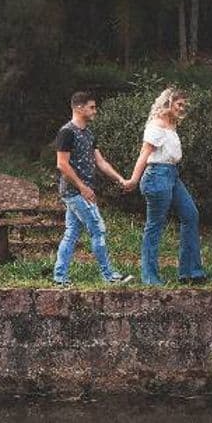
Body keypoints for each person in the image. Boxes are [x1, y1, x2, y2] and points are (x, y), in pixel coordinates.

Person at [121, 87, 208, 286]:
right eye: (179, 104)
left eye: (183, 105)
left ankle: (190, 272)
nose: (182, 108)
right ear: (168, 103)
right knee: (155, 226)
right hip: (156, 176)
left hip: (172, 175)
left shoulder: (171, 125)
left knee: (191, 215)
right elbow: (144, 153)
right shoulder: (157, 125)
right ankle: (150, 277)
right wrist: (133, 180)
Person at [52, 92, 134, 286]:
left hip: (81, 191)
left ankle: (59, 277)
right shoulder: (67, 132)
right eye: (92, 107)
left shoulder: (88, 134)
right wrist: (82, 187)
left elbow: (101, 162)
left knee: (71, 233)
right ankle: (109, 276)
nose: (95, 111)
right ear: (79, 108)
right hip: (75, 192)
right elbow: (62, 164)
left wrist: (120, 179)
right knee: (98, 230)